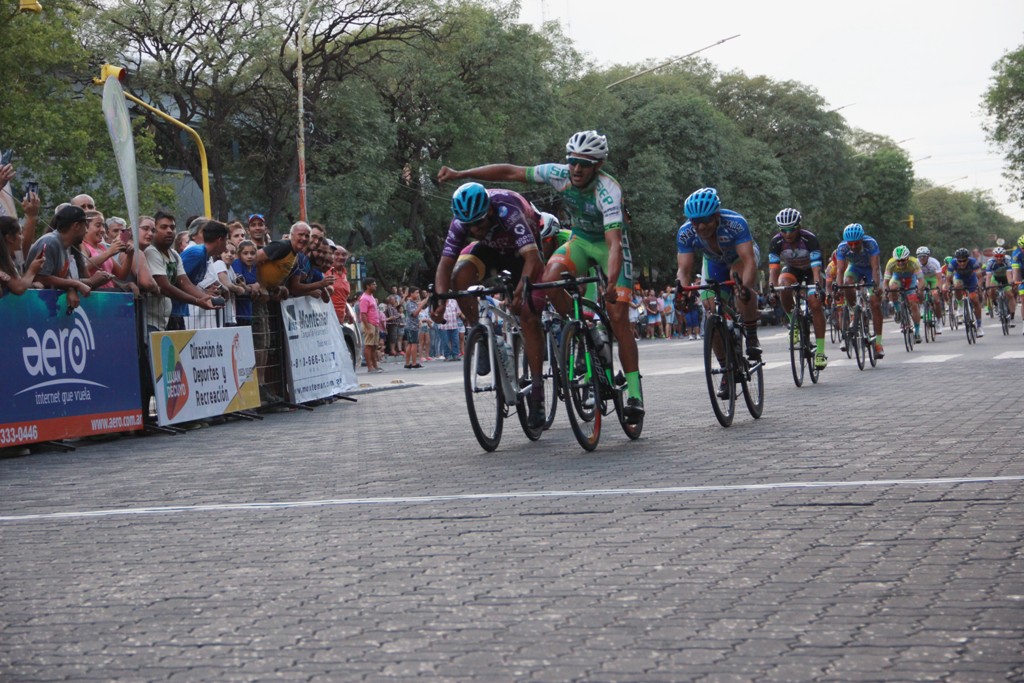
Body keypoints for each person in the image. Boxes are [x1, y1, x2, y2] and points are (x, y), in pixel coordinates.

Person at [437, 130, 644, 423]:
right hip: (581, 240)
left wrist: (611, 283)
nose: (576, 169)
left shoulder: (608, 190)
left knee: (619, 317)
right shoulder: (558, 174)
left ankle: (634, 392)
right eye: (572, 162)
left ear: (597, 166)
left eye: (584, 164)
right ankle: (580, 327)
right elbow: (510, 172)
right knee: (550, 278)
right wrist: (461, 174)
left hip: (609, 244)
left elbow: (612, 244)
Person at [429, 182, 548, 427]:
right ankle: (481, 334)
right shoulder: (463, 221)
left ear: (490, 212)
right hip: (493, 249)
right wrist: (440, 300)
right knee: (459, 278)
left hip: (525, 251)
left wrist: (519, 291)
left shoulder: (507, 208)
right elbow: (445, 264)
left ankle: (537, 392)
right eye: (470, 226)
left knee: (527, 315)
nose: (475, 229)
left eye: (479, 223)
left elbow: (532, 258)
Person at [675, 187, 762, 373]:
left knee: (737, 281)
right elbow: (684, 270)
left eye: (705, 220)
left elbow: (748, 261)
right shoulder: (685, 233)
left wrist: (745, 288)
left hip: (740, 258)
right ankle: (726, 368)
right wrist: (681, 293)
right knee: (710, 314)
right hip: (714, 262)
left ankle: (752, 334)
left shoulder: (735, 223)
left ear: (716, 215)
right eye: (695, 222)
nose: (700, 227)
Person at [766, 208, 828, 369]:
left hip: (810, 271)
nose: (787, 233)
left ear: (799, 227)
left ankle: (820, 352)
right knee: (783, 286)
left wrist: (818, 287)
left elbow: (816, 269)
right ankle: (793, 322)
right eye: (783, 230)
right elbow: (773, 269)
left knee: (815, 304)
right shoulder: (776, 242)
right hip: (792, 270)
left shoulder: (810, 239)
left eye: (791, 229)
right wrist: (772, 288)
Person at [26, 205, 112, 310]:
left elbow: (64, 277)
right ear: (76, 226)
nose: (86, 231)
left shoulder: (66, 245)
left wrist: (71, 288)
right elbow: (40, 277)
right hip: (34, 306)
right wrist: (75, 284)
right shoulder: (50, 242)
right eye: (85, 226)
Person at [144, 210, 217, 331]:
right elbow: (165, 286)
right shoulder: (151, 252)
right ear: (154, 230)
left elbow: (185, 283)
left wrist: (206, 298)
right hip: (151, 320)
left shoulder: (174, 254)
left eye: (172, 227)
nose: (169, 230)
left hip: (166, 318)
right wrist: (197, 301)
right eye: (163, 227)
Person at [834, 222, 886, 358]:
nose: (852, 246)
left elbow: (875, 268)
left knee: (875, 302)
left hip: (870, 270)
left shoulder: (871, 243)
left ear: (861, 239)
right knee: (847, 283)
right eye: (850, 243)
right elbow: (840, 270)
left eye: (856, 243)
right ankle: (853, 312)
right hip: (854, 268)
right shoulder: (842, 247)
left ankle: (878, 343)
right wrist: (839, 288)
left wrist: (875, 286)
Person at [883, 245, 925, 343]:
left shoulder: (914, 262)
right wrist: (886, 291)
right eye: (898, 261)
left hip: (911, 280)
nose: (901, 263)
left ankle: (917, 332)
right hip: (897, 278)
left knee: (914, 304)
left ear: (908, 258)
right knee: (893, 288)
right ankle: (898, 311)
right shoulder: (891, 263)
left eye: (903, 260)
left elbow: (922, 280)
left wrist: (918, 290)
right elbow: (885, 282)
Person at [0, 216, 44, 295]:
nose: (22, 237)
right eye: (20, 233)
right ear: (9, 237)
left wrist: (31, 285)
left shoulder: (11, 258)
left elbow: (17, 283)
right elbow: (18, 288)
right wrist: (32, 270)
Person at [947, 247, 984, 337]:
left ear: (968, 259)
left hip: (971, 279)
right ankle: (960, 305)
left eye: (964, 260)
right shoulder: (952, 264)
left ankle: (979, 326)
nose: (962, 263)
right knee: (957, 287)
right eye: (960, 261)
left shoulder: (973, 262)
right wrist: (948, 288)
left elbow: (980, 278)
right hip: (959, 278)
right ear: (957, 260)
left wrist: (978, 287)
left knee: (975, 300)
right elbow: (948, 280)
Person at [916, 246, 944, 333]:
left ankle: (938, 321)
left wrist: (938, 288)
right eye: (919, 256)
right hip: (922, 279)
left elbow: (939, 279)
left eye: (923, 256)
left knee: (936, 298)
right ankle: (921, 306)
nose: (921, 258)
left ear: (928, 256)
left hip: (933, 278)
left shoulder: (934, 262)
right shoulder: (916, 263)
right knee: (919, 291)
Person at [984, 246, 1015, 323]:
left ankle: (1012, 315)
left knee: (1010, 294)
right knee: (991, 289)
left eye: (1001, 256)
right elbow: (988, 276)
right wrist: (987, 287)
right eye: (997, 256)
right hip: (996, 278)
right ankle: (995, 304)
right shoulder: (990, 262)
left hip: (1005, 278)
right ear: (994, 256)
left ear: (1004, 256)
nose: (999, 258)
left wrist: (1010, 284)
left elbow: (1009, 274)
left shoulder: (1007, 261)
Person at [359, 277, 383, 373]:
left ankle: (375, 365)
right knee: (369, 346)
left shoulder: (371, 297)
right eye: (373, 284)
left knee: (374, 346)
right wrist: (368, 327)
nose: (375, 285)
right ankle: (370, 367)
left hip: (375, 324)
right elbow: (363, 314)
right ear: (368, 286)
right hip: (369, 324)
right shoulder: (364, 298)